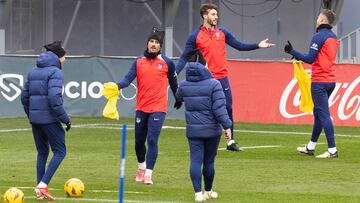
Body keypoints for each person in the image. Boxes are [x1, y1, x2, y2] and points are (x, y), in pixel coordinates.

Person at [176, 3, 275, 151]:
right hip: (206, 79)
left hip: (222, 77)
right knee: (208, 109)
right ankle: (207, 138)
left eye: (216, 14)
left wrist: (258, 45)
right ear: (204, 16)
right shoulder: (195, 36)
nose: (216, 17)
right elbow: (184, 57)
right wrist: (174, 72)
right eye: (213, 14)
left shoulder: (222, 32)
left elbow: (239, 46)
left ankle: (230, 141)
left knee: (228, 107)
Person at [117, 28, 182, 185]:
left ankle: (149, 174)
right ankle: (141, 167)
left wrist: (178, 98)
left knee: (152, 140)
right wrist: (116, 86)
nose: (153, 44)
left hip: (158, 108)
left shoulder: (167, 63)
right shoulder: (139, 61)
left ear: (160, 46)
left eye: (157, 42)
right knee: (139, 142)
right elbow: (127, 80)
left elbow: (174, 83)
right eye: (151, 42)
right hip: (141, 108)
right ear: (147, 44)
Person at [176, 49, 232, 201]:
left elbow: (178, 96)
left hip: (193, 130)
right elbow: (220, 109)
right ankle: (208, 190)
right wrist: (227, 126)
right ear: (205, 65)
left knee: (195, 161)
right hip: (212, 131)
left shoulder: (184, 84)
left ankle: (197, 193)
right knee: (209, 161)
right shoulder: (214, 84)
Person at [284, 9, 339, 158]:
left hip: (320, 81)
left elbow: (309, 59)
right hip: (330, 81)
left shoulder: (318, 36)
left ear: (322, 20)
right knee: (319, 114)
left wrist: (292, 51)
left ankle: (332, 150)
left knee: (324, 115)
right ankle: (310, 147)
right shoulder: (334, 38)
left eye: (318, 17)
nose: (317, 19)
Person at [21, 41, 71, 200]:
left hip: (36, 120)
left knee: (42, 152)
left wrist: (32, 115)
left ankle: (38, 191)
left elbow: (24, 97)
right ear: (58, 57)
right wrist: (65, 119)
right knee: (60, 151)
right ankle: (42, 185)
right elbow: (54, 98)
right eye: (64, 57)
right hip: (49, 120)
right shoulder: (56, 72)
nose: (65, 60)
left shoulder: (33, 70)